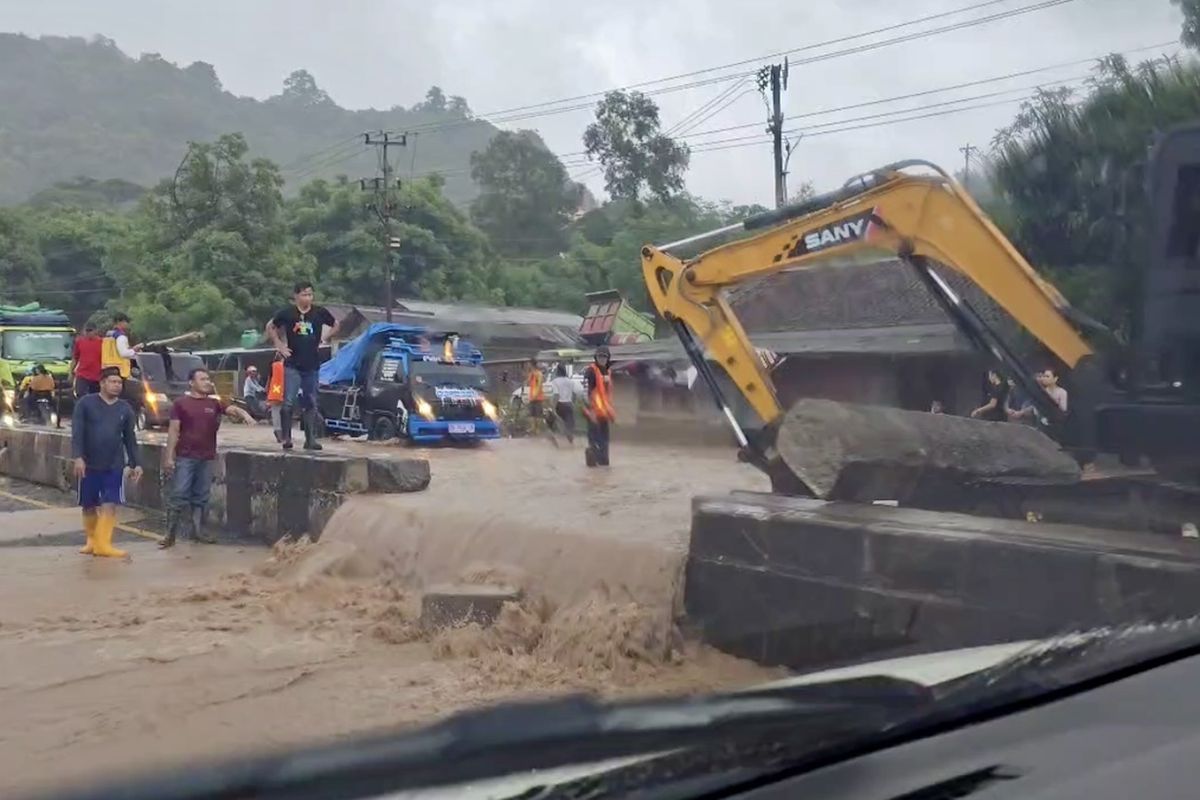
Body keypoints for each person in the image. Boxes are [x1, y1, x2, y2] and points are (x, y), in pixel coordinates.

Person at [160, 367, 254, 548]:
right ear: (191, 383)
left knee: (201, 496)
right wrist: (169, 457)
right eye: (202, 379)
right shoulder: (181, 403)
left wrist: (245, 415)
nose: (207, 382)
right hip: (185, 457)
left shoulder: (214, 403)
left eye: (208, 379)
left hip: (207, 457)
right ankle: (169, 534)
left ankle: (198, 531)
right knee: (179, 494)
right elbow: (173, 431)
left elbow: (232, 409)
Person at [72, 367, 142, 559]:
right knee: (88, 504)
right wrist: (78, 457)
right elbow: (77, 432)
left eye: (119, 383)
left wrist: (136, 463)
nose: (117, 386)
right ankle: (92, 541)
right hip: (88, 463)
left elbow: (130, 437)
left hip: (114, 464)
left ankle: (104, 544)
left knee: (110, 502)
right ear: (102, 383)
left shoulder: (125, 409)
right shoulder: (85, 404)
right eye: (113, 382)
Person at [267, 282, 338, 451]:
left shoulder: (319, 313)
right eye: (305, 294)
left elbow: (336, 324)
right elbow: (271, 326)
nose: (308, 298)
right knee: (288, 402)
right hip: (292, 364)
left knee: (311, 402)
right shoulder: (288, 313)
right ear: (296, 296)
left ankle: (310, 439)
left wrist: (325, 338)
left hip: (312, 364)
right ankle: (286, 438)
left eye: (310, 294)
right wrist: (279, 345)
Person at [582, 346, 615, 467]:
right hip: (594, 414)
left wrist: (611, 412)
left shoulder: (608, 372)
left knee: (604, 443)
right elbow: (585, 391)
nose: (602, 359)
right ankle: (593, 466)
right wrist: (590, 411)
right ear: (595, 357)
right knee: (594, 442)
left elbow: (607, 395)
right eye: (600, 356)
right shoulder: (590, 371)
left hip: (604, 414)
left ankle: (604, 465)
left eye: (604, 357)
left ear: (608, 358)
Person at [71, 323, 103, 397]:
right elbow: (75, 358)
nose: (88, 333)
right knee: (80, 395)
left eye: (90, 330)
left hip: (97, 376)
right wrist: (71, 371)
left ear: (96, 331)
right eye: (86, 331)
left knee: (95, 398)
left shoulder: (102, 342)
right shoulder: (79, 342)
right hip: (82, 374)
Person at [548, 364, 576, 444]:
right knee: (569, 423)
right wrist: (573, 403)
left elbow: (556, 395)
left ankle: (554, 435)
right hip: (569, 404)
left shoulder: (555, 381)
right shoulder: (570, 381)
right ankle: (570, 440)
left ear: (558, 371)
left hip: (560, 404)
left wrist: (553, 407)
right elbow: (574, 394)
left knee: (551, 419)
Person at [266, 355, 286, 442]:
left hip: (274, 393)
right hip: (284, 392)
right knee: (284, 413)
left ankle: (277, 431)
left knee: (276, 413)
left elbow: (269, 379)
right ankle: (284, 434)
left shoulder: (273, 366)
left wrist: (267, 390)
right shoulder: (286, 366)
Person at [526, 358, 546, 433]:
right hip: (532, 397)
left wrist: (535, 395)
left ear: (532, 364)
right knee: (532, 414)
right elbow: (527, 382)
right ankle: (533, 428)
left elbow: (539, 385)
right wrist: (530, 374)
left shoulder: (539, 374)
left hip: (538, 397)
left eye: (529, 364)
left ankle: (538, 429)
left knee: (538, 414)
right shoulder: (532, 374)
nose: (528, 366)